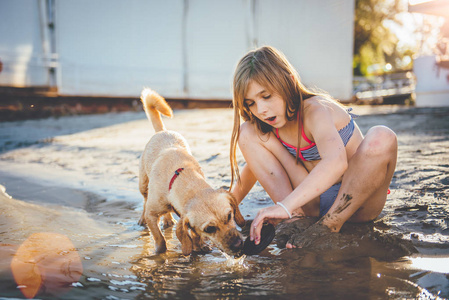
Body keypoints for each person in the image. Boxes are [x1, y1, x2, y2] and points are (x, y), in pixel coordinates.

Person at [229, 46, 397, 248]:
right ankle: (295, 220)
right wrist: (226, 207)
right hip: (310, 204)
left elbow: (336, 163)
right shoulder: (272, 123)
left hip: (357, 203)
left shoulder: (316, 110)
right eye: (251, 103)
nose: (261, 110)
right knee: (247, 131)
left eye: (266, 97)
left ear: (289, 81)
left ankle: (329, 225)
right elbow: (257, 166)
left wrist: (283, 206)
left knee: (382, 136)